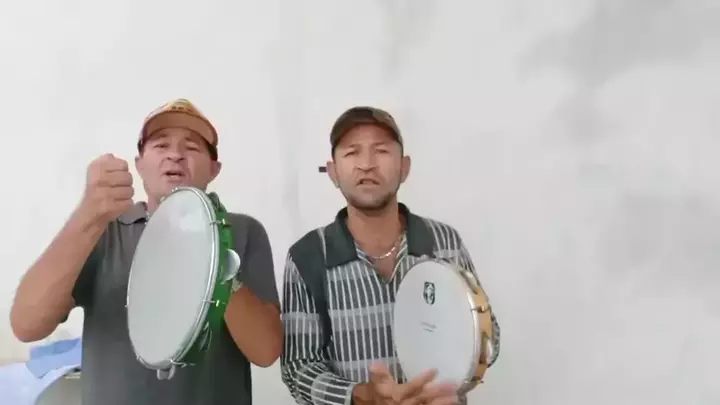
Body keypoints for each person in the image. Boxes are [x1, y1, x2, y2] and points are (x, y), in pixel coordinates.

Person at [10, 99, 282, 405]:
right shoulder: (103, 231)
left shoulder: (242, 232)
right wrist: (88, 215)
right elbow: (26, 325)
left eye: (192, 147)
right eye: (161, 145)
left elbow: (266, 352)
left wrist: (216, 252)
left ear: (214, 169)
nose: (175, 155)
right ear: (139, 164)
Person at [279, 106, 501, 405]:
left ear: (404, 167)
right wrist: (360, 396)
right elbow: (297, 367)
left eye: (381, 151)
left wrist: (453, 375)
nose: (367, 165)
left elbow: (488, 336)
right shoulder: (308, 256)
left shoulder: (444, 242)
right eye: (352, 152)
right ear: (333, 172)